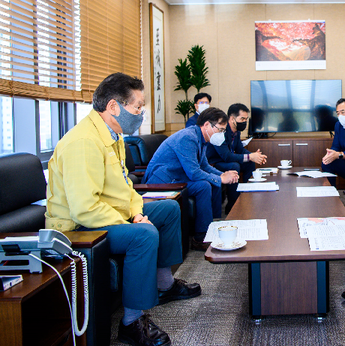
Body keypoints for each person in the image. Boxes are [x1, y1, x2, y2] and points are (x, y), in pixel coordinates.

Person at [45, 73, 201, 346]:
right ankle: (131, 323)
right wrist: (132, 224)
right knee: (143, 235)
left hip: (105, 216)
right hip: (79, 228)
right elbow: (84, 208)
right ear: (114, 106)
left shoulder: (112, 135)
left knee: (167, 209)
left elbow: (126, 187)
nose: (141, 113)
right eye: (138, 107)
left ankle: (165, 285)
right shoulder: (83, 142)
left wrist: (137, 212)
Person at [143, 107, 240, 251]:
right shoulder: (188, 137)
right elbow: (194, 173)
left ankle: (210, 228)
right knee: (204, 185)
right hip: (162, 183)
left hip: (178, 179)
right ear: (207, 125)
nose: (221, 134)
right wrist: (220, 179)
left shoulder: (201, 138)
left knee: (208, 183)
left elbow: (204, 166)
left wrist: (223, 174)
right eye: (220, 130)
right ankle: (201, 237)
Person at [206, 103, 267, 213]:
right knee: (234, 165)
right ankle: (233, 204)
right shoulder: (222, 130)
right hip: (215, 162)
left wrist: (254, 156)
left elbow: (240, 149)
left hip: (226, 160)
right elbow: (226, 156)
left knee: (249, 163)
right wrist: (250, 156)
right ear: (232, 118)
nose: (244, 122)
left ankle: (248, 196)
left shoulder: (236, 132)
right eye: (242, 118)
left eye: (246, 119)